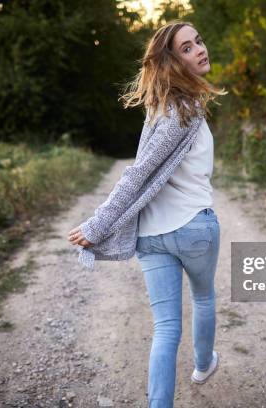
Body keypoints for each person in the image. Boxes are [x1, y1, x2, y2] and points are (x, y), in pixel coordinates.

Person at [67, 20, 226, 408]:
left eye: (199, 40)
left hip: (153, 237)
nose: (199, 49)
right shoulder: (181, 112)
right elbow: (137, 174)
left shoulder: (165, 110)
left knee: (166, 328)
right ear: (172, 61)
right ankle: (203, 365)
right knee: (203, 300)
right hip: (195, 229)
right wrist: (98, 224)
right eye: (187, 48)